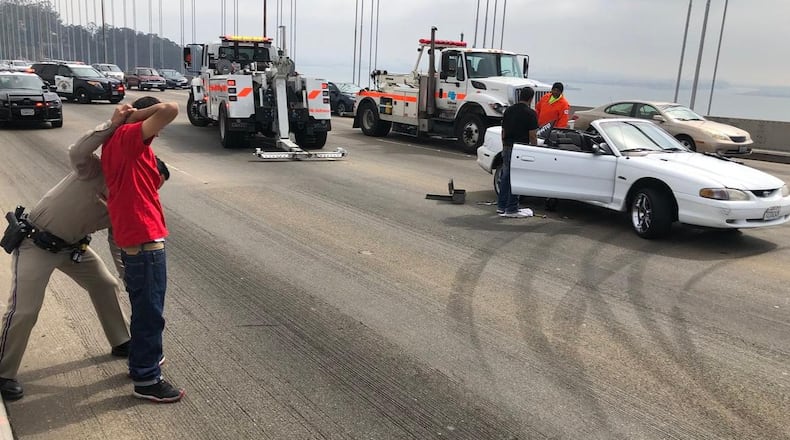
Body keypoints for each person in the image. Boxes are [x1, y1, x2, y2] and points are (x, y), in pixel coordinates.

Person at [0, 105, 169, 401]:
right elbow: (77, 151)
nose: (152, 188)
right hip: (37, 242)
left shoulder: (129, 201)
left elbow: (120, 245)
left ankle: (121, 341)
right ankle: (4, 371)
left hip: (72, 247)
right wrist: (112, 125)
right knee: (25, 310)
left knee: (105, 284)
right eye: (153, 180)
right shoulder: (96, 170)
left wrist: (133, 280)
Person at [100, 96, 183, 403]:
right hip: (143, 241)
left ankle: (143, 361)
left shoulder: (120, 143)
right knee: (150, 313)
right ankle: (147, 378)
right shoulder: (127, 138)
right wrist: (133, 116)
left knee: (144, 308)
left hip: (137, 239)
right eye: (153, 127)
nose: (158, 132)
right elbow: (170, 108)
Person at [497, 87, 539, 218]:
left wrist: (504, 146)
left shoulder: (508, 110)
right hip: (520, 149)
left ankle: (501, 206)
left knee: (505, 177)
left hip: (507, 146)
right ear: (531, 99)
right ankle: (512, 208)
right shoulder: (531, 113)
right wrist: (535, 149)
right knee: (516, 178)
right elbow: (532, 135)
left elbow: (503, 131)